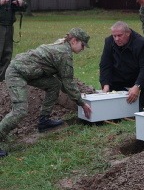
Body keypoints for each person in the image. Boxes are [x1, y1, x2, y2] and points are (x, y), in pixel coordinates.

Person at [0, 28, 92, 157]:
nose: (83, 49)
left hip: (31, 72)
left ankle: (44, 121)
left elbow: (64, 83)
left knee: (54, 85)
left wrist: (76, 97)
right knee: (20, 110)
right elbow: (69, 83)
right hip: (17, 73)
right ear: (74, 40)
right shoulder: (64, 53)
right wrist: (81, 103)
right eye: (82, 45)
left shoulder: (62, 47)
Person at [99, 21, 144, 111]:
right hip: (119, 76)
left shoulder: (140, 43)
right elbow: (105, 64)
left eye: (120, 35)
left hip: (137, 76)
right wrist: (105, 85)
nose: (116, 39)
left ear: (128, 33)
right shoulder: (109, 41)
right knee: (114, 108)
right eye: (114, 36)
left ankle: (142, 105)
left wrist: (137, 86)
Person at [0, 0, 27, 81]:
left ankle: (2, 82)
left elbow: (24, 7)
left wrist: (20, 4)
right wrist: (0, 2)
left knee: (7, 54)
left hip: (9, 27)